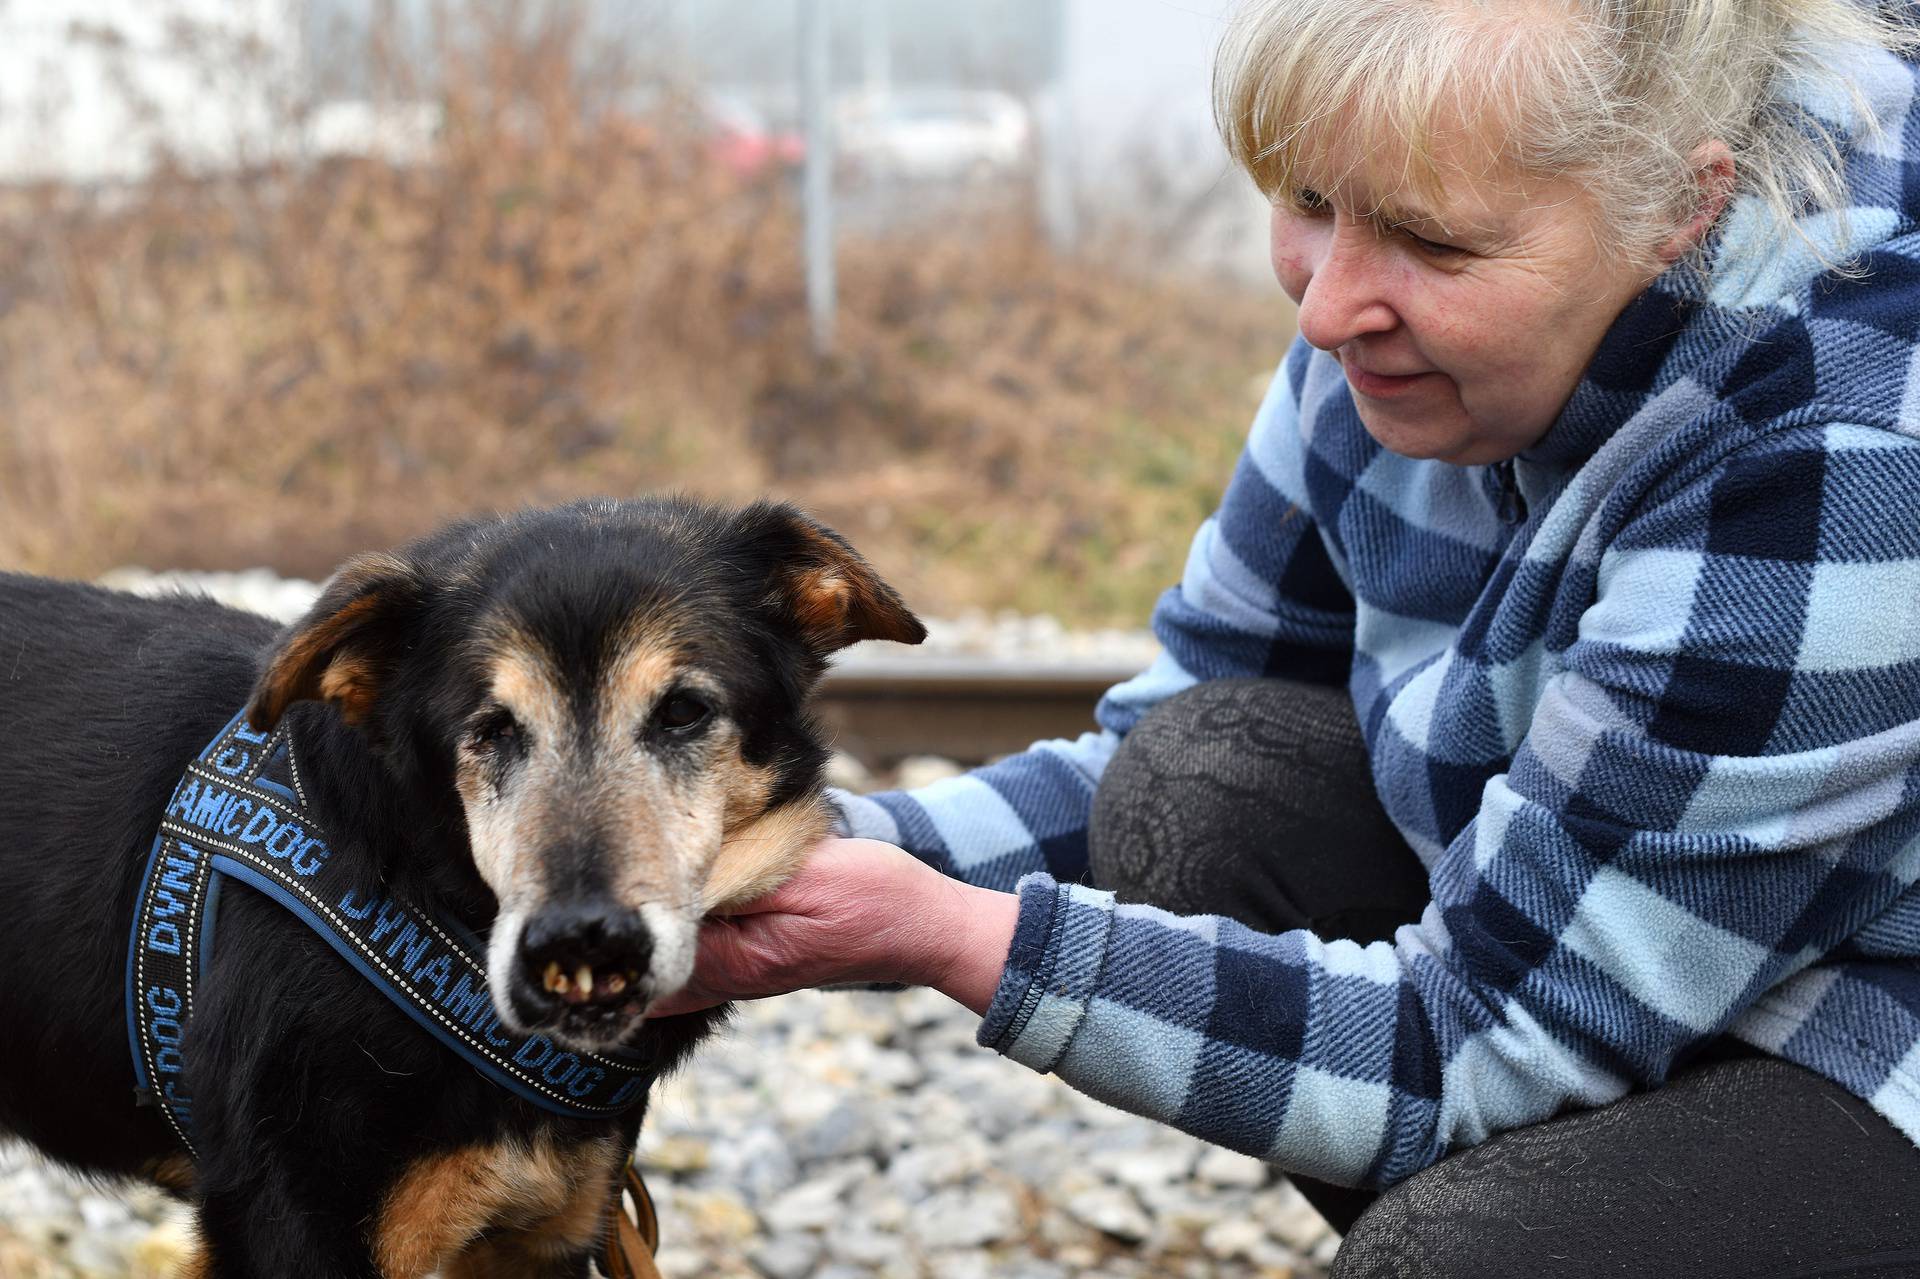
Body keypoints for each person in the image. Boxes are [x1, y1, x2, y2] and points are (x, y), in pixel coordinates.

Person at [649, 1, 1920, 1272]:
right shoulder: (1406, 311)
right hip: (1620, 923)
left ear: (1678, 210)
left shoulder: (1844, 450)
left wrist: (945, 933)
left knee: (1459, 1257)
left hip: (1875, 1013)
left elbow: (1469, 1039)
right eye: (1310, 197)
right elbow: (1176, 723)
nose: (1327, 313)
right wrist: (768, 858)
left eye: (1429, 238)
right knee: (1196, 782)